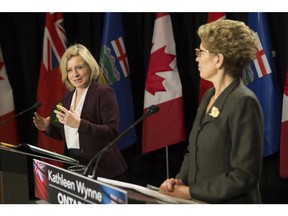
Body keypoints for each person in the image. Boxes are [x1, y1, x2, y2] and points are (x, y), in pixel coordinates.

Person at [159, 19, 264, 204]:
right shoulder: (209, 96)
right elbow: (193, 151)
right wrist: (179, 180)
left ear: (219, 59)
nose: (197, 58)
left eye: (201, 52)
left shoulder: (244, 102)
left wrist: (191, 192)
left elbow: (244, 175)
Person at [33, 43, 127, 179]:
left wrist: (79, 124)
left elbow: (112, 131)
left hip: (102, 169)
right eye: (70, 70)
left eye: (79, 68)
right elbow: (67, 134)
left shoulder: (103, 93)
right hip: (74, 166)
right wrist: (47, 127)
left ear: (90, 67)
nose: (75, 74)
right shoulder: (67, 98)